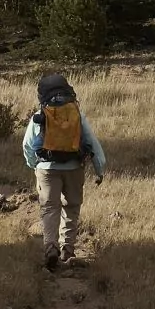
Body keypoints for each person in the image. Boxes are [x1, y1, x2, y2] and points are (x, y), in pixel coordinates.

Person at [22, 73, 106, 270]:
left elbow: (27, 144)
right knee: (71, 208)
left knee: (50, 208)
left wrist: (34, 164)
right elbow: (90, 142)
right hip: (74, 167)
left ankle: (50, 246)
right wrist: (99, 168)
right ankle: (67, 250)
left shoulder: (41, 114)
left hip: (46, 168)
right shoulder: (76, 113)